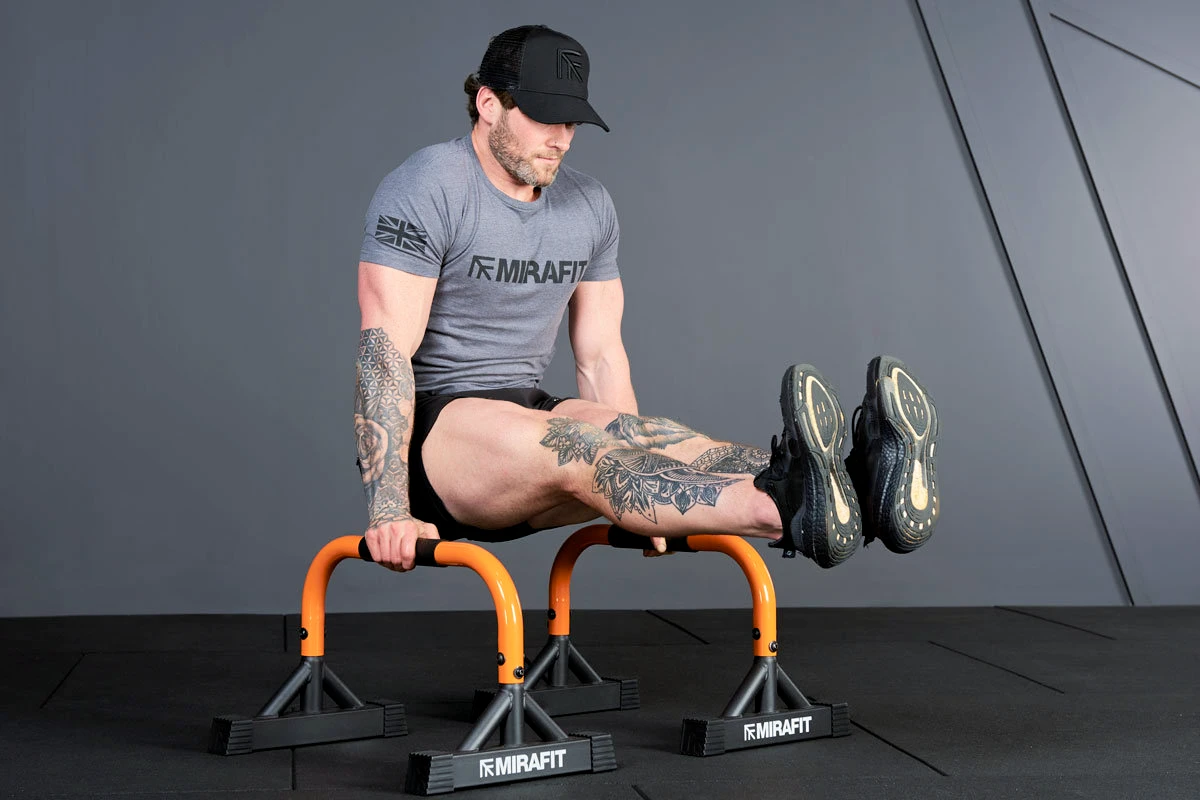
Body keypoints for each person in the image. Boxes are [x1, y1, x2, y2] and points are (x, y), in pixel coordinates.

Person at [354, 25, 940, 572]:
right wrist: (389, 509)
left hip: (531, 407)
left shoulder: (588, 204)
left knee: (670, 441)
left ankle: (863, 481)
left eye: (572, 123)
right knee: (581, 447)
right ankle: (785, 509)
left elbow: (601, 355)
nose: (561, 140)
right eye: (544, 119)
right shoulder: (428, 186)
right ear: (488, 104)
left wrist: (649, 497)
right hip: (442, 438)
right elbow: (385, 352)